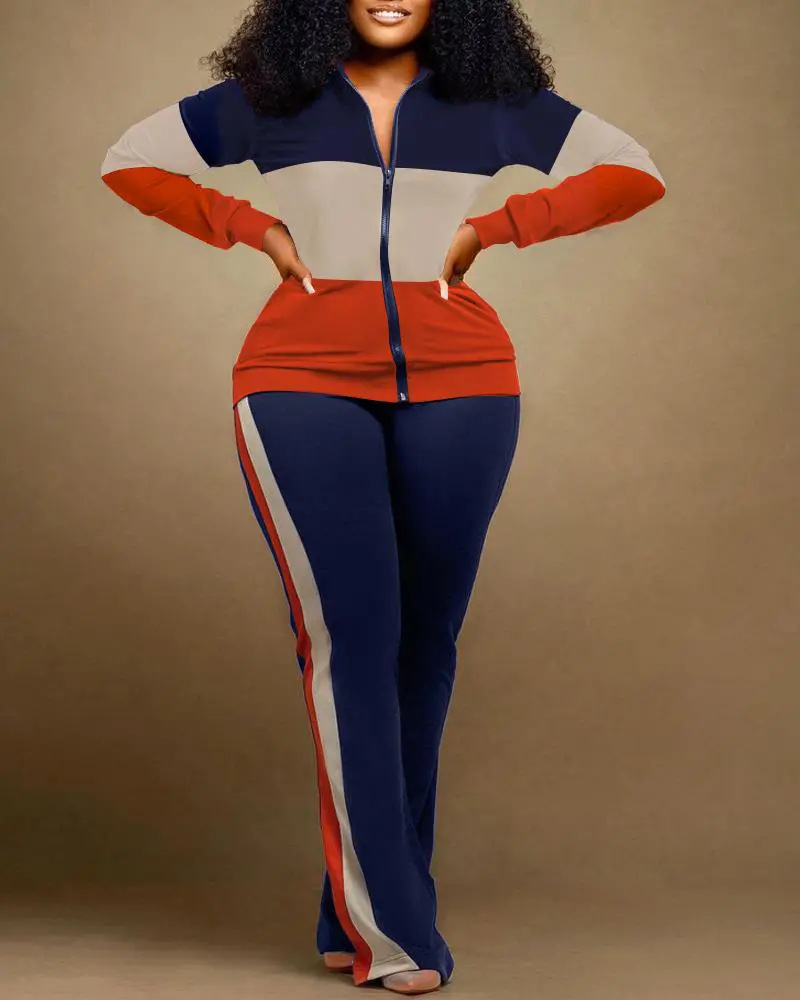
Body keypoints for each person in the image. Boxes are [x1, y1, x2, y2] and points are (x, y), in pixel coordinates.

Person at [100, 0, 666, 993]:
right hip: (298, 380)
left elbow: (634, 171)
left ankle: (351, 907)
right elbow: (130, 159)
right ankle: (396, 933)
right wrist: (248, 226)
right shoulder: (273, 98)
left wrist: (499, 225)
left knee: (424, 647)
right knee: (349, 643)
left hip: (467, 383)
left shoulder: (491, 102)